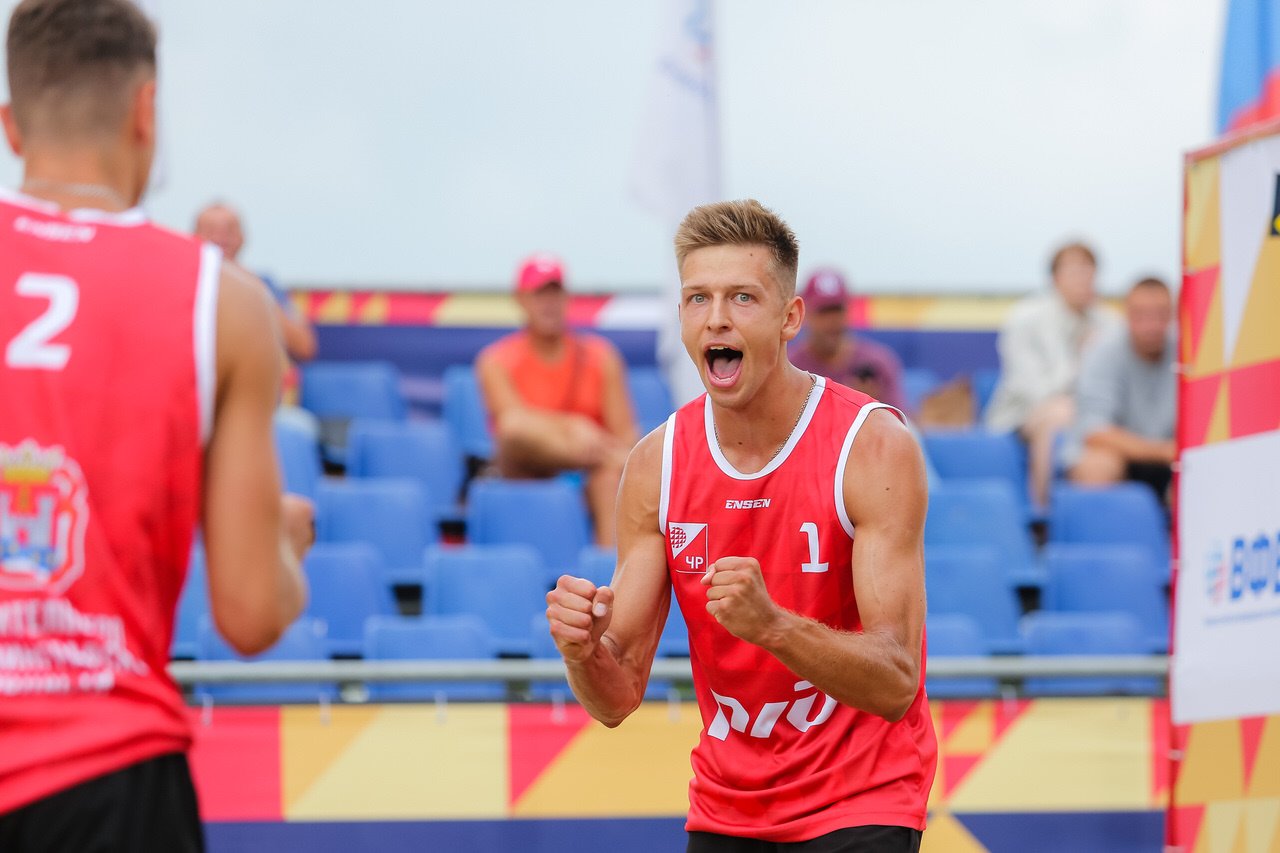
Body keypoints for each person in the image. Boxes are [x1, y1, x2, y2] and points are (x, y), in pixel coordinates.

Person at [0, 1, 311, 849]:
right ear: (146, 113)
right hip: (105, 776)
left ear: (11, 126)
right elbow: (249, 613)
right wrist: (285, 547)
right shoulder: (225, 303)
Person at [547, 200, 936, 852]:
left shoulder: (871, 445)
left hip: (862, 795)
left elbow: (896, 680)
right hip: (729, 805)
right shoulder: (656, 464)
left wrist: (773, 625)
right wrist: (583, 652)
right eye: (697, 298)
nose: (717, 317)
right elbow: (616, 697)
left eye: (742, 298)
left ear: (790, 318)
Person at [475, 253, 639, 546]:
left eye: (555, 293)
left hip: (593, 472)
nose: (548, 303)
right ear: (520, 300)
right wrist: (574, 427)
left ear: (566, 298)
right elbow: (512, 428)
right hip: (523, 468)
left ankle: (610, 571)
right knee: (515, 430)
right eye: (539, 294)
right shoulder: (495, 361)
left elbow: (626, 434)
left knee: (610, 478)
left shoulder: (602, 357)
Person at [985, 241, 1118, 508]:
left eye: (1089, 270)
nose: (1084, 279)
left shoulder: (1109, 322)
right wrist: (1084, 359)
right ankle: (1043, 510)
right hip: (1023, 414)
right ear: (1055, 278)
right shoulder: (1026, 318)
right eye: (1075, 271)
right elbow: (1035, 390)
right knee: (1060, 412)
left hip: (1088, 411)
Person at [1064, 277, 1176, 500]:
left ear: (1172, 315)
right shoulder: (1102, 351)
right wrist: (1162, 451)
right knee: (1097, 467)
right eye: (1142, 315)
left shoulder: (1191, 351)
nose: (1151, 325)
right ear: (1127, 315)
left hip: (1175, 462)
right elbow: (1094, 432)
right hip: (1123, 456)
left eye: (1160, 314)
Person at [194, 201, 318, 364]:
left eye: (229, 230)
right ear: (194, 237)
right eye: (211, 231)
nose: (220, 238)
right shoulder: (185, 284)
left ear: (242, 237)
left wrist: (258, 294)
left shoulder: (263, 284)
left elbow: (304, 347)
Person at [788, 267, 911, 414]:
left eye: (837, 310)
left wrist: (872, 409)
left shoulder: (878, 362)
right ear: (805, 313)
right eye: (824, 311)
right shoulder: (789, 365)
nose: (832, 320)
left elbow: (900, 421)